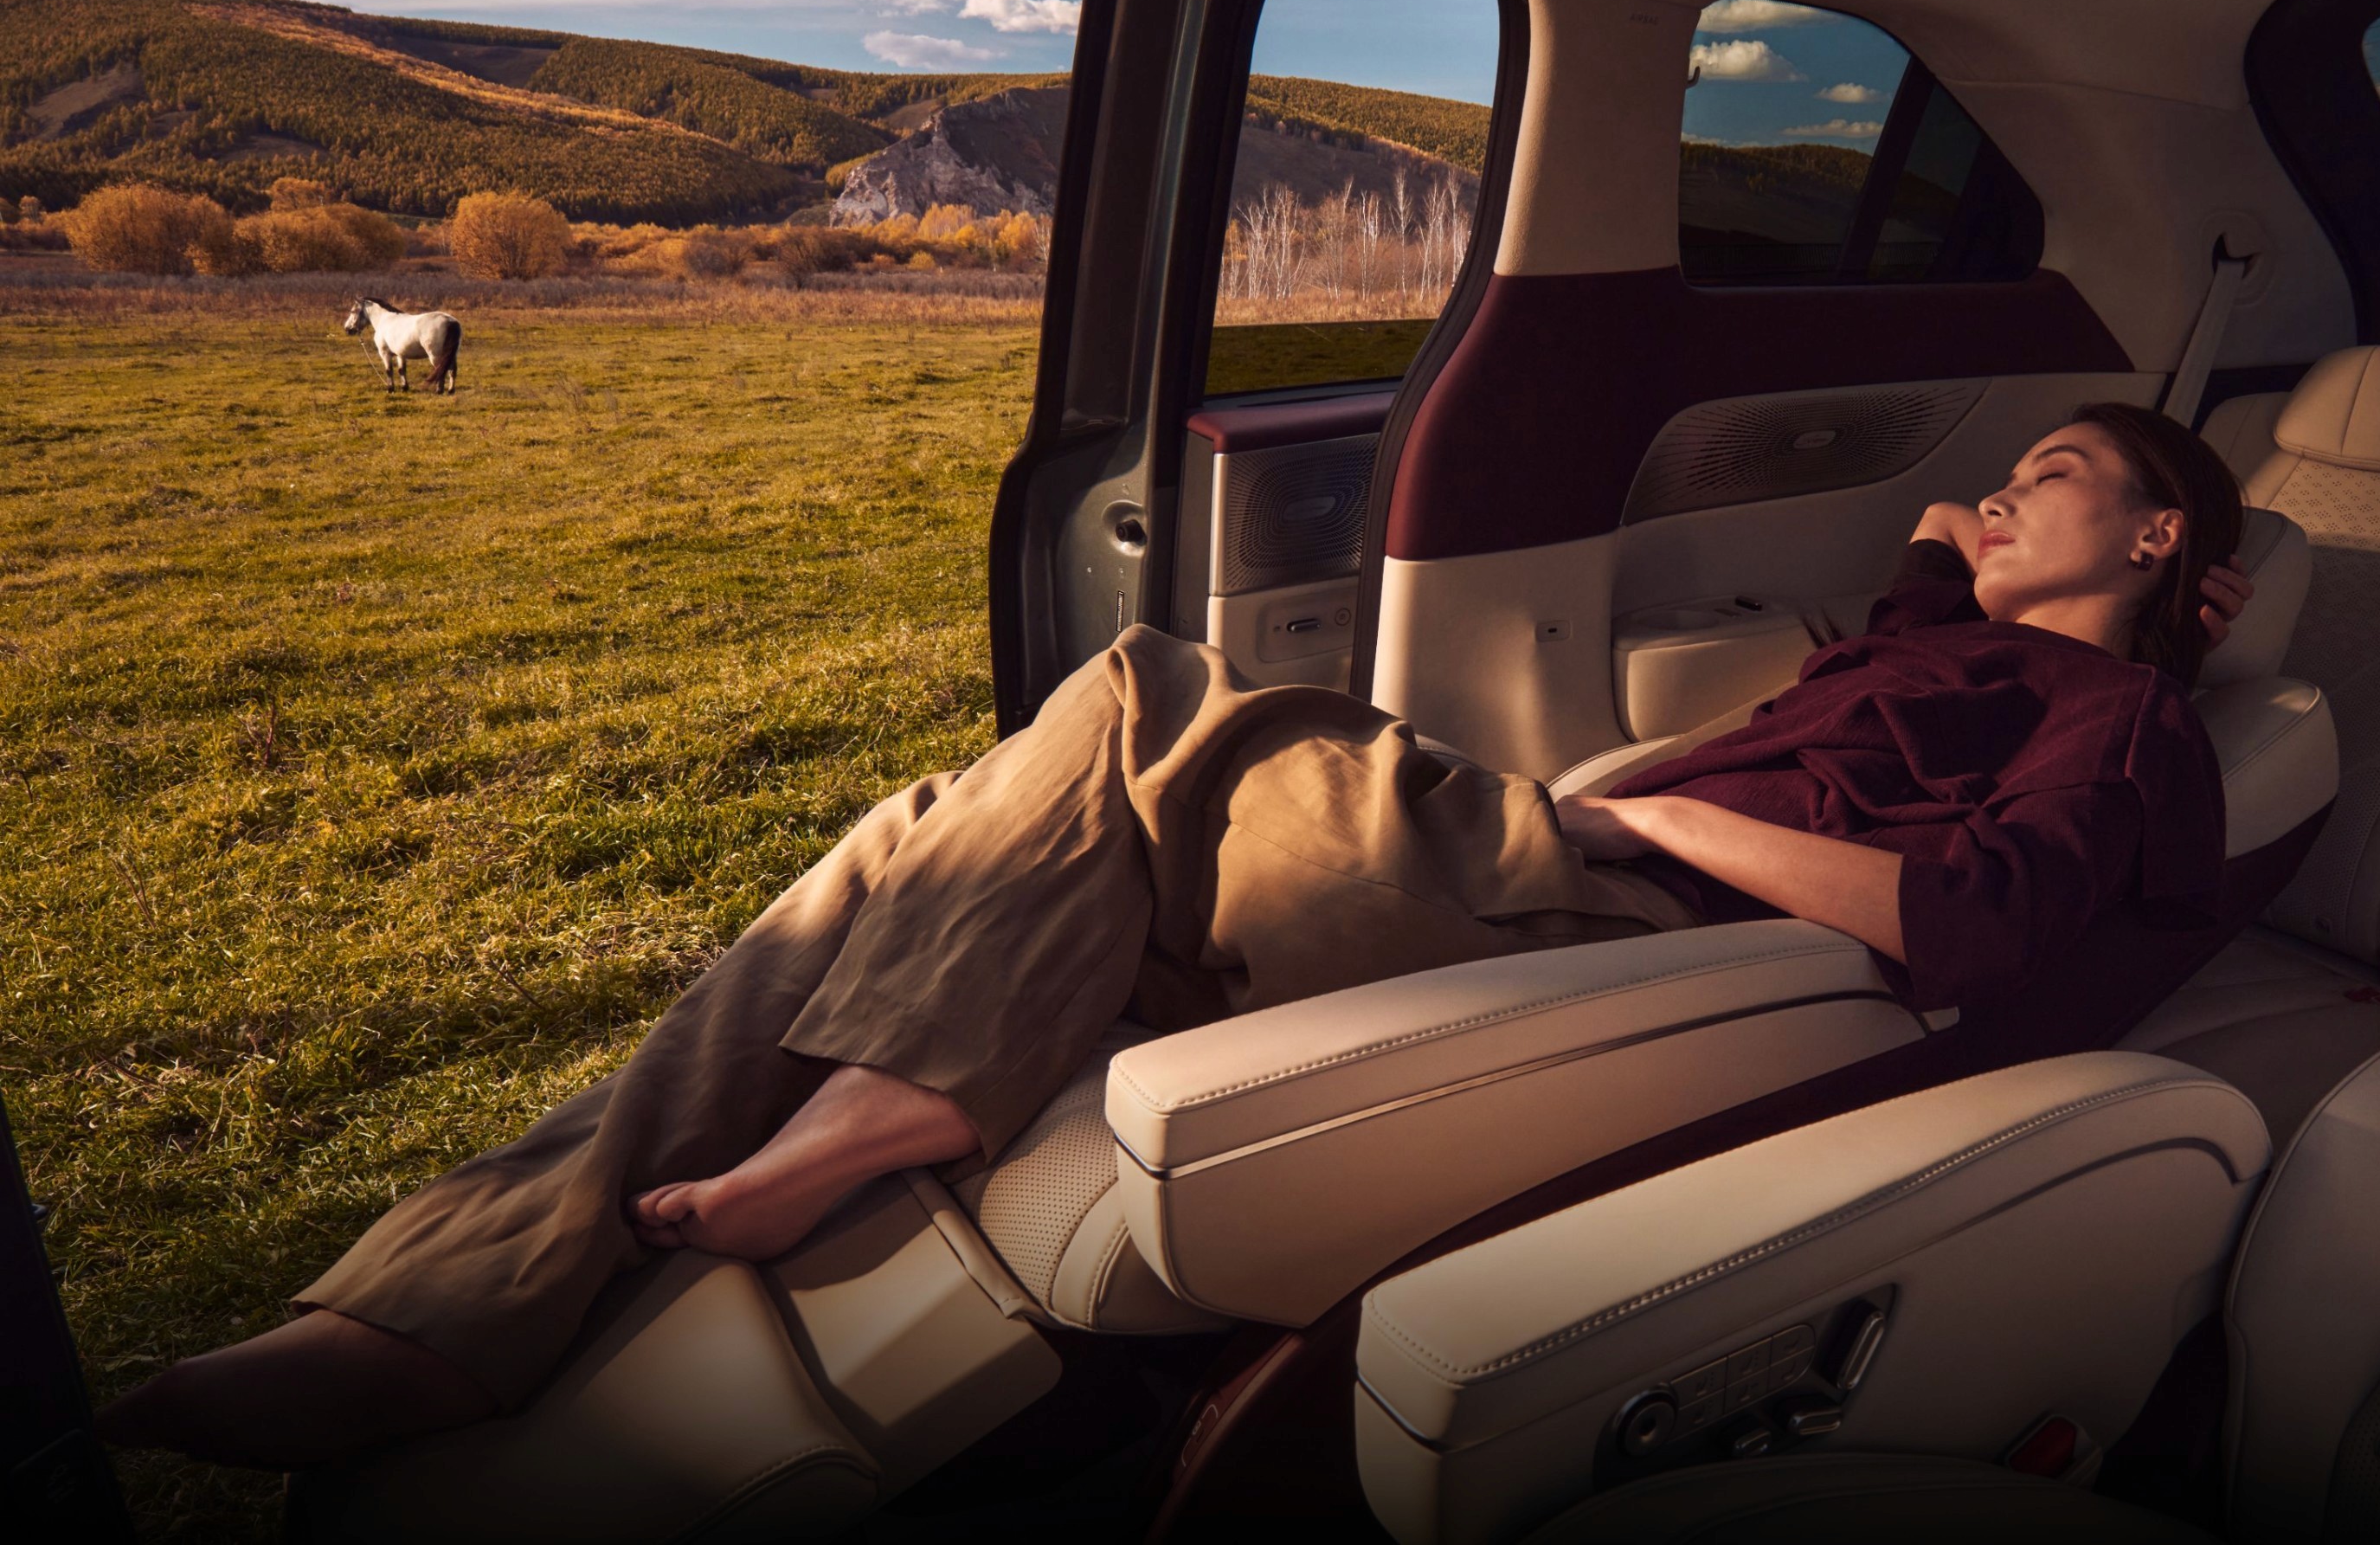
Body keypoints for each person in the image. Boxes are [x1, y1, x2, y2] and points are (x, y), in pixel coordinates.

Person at [99, 401, 2253, 1469]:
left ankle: (486, 1286)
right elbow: (1927, 614)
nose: (1998, 486)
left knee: (1137, 686)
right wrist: (1953, 543)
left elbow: (1967, 920)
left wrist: (1662, 803)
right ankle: (461, 1303)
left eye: (2052, 470)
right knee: (915, 850)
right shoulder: (1935, 637)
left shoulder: (2128, 718)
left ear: (2158, 532)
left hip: (1611, 898)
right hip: (1543, 856)